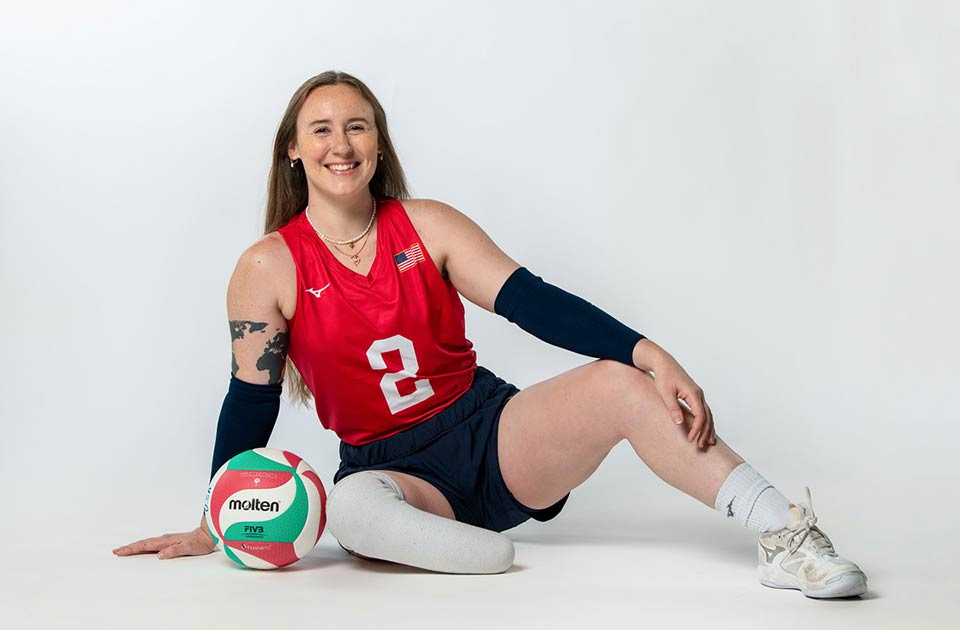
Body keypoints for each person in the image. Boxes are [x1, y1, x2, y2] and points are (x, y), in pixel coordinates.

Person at [113, 71, 867, 598]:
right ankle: (480, 552)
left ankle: (787, 536)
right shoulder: (268, 265)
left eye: (357, 127)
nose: (341, 143)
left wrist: (650, 353)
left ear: (377, 144)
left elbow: (532, 301)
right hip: (389, 469)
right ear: (293, 149)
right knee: (343, 508)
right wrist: (215, 520)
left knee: (620, 386)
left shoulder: (427, 224)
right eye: (322, 129)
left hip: (490, 435)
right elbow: (251, 400)